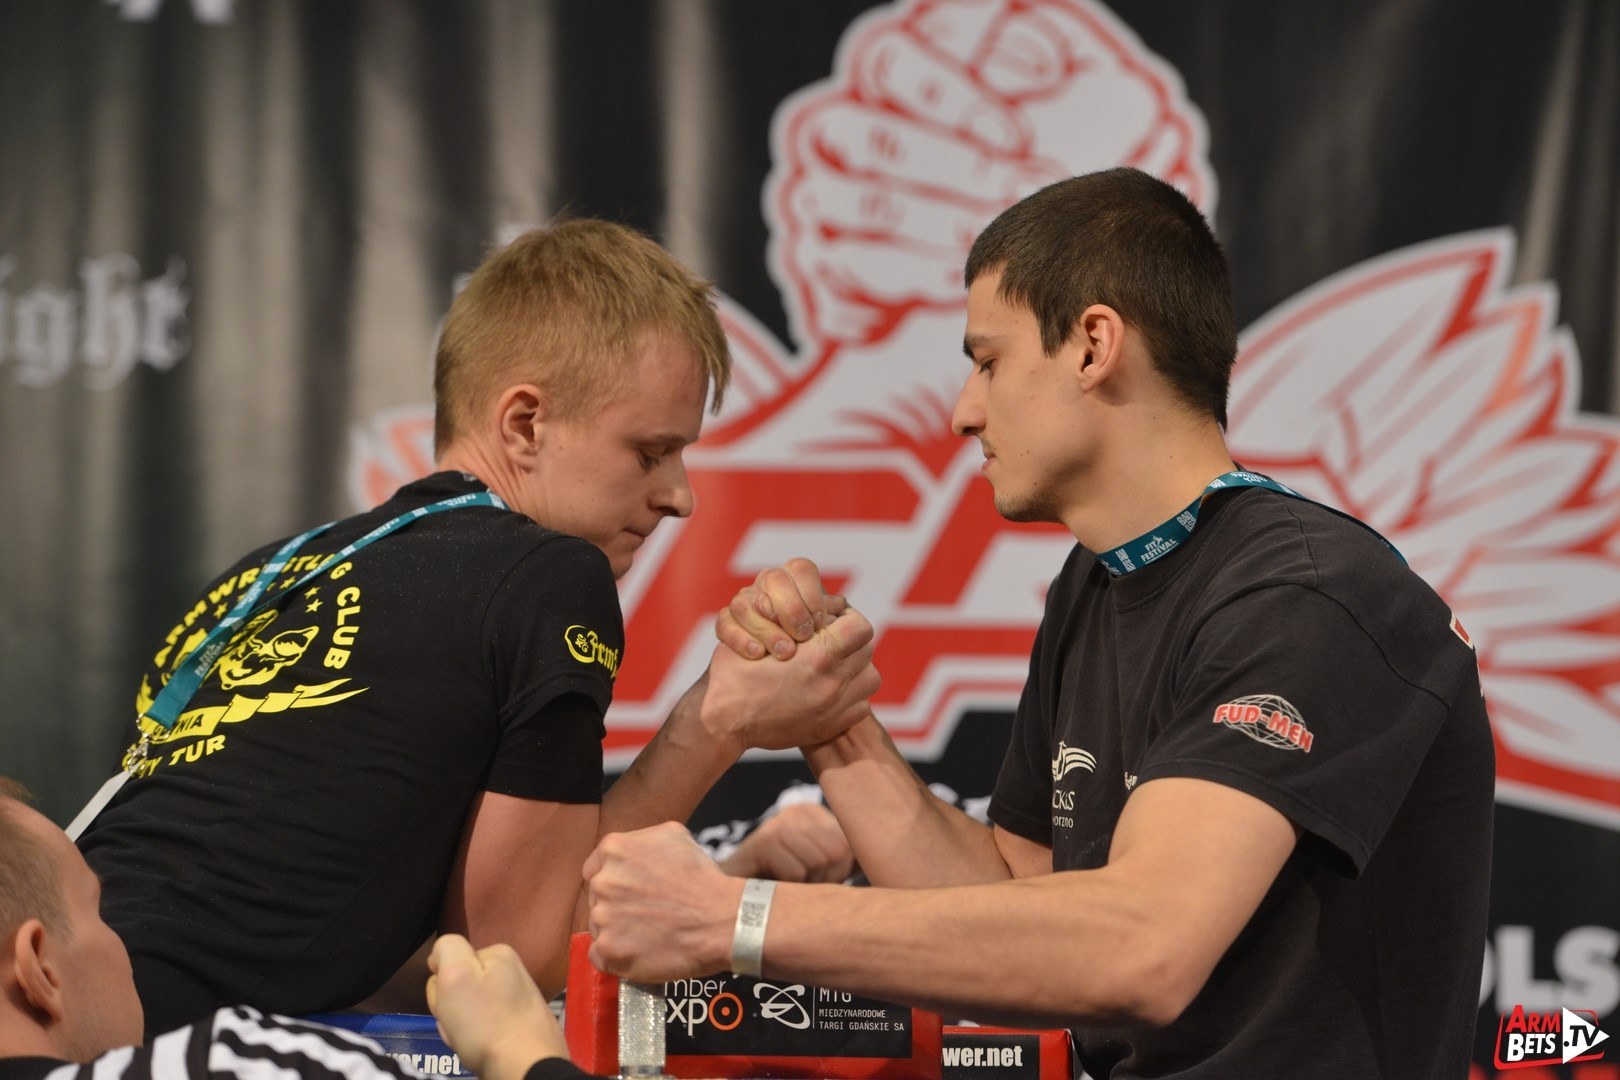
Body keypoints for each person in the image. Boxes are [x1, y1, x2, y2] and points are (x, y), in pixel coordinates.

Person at [581, 169, 1495, 1079]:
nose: (963, 411)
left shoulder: (1304, 593)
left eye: (987, 361)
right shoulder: (1095, 581)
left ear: (1094, 345)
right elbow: (1013, 907)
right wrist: (829, 715)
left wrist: (732, 920)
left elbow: (1143, 947)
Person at [73, 220, 881, 1035]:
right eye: (650, 453)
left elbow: (365, 962)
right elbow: (512, 962)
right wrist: (721, 717)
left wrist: (720, 881)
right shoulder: (549, 574)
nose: (680, 496)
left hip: (59, 1015)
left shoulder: (263, 576)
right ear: (524, 424)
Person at [0, 778, 587, 1080]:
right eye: (99, 911)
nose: (123, 941)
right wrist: (522, 1055)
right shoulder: (244, 1067)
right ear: (39, 968)